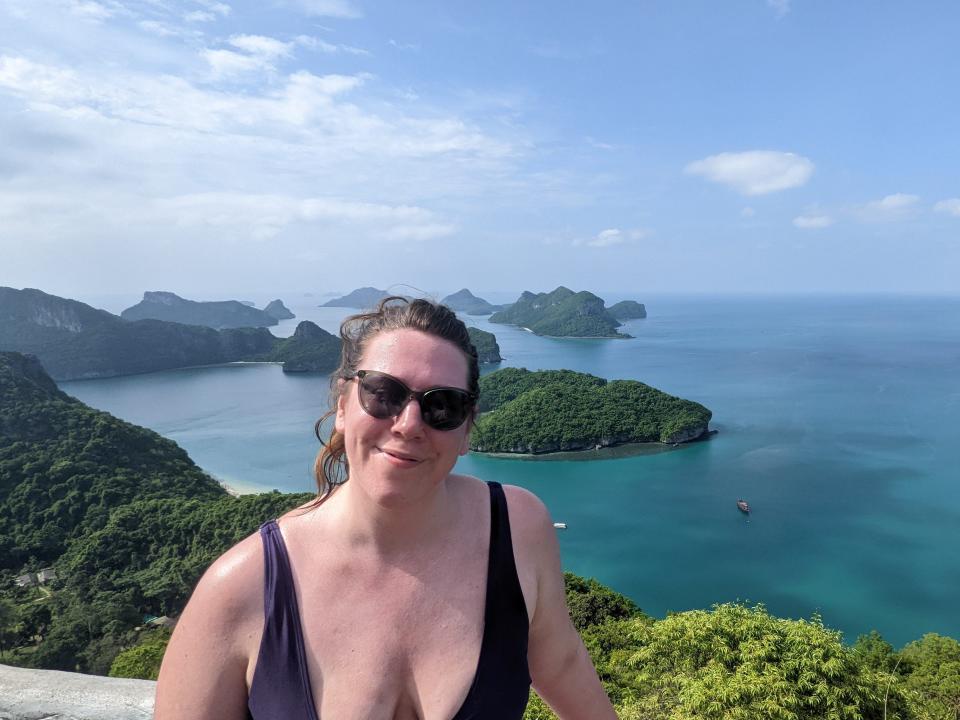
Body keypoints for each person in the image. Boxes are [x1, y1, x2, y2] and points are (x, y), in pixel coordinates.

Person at [155, 297, 617, 719]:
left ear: (466, 431)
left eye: (443, 407)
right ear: (342, 405)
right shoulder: (240, 589)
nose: (409, 423)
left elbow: (560, 662)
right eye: (384, 393)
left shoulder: (519, 527)